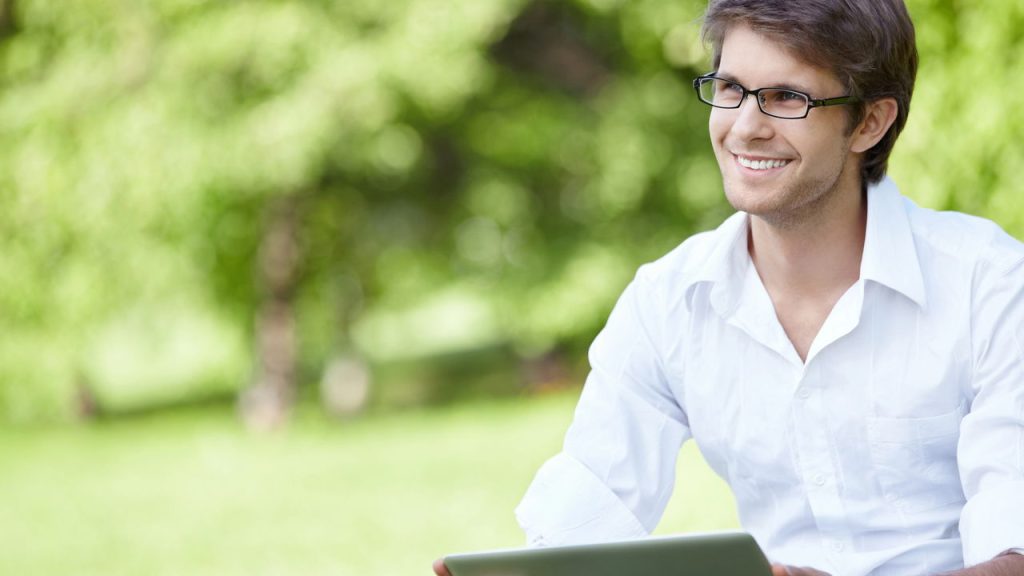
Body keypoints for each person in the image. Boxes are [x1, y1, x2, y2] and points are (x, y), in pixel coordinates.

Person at [434, 1, 1024, 574]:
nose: (744, 127)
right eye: (731, 89)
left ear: (870, 122)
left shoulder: (991, 284)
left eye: (787, 97)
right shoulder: (668, 302)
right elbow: (587, 508)